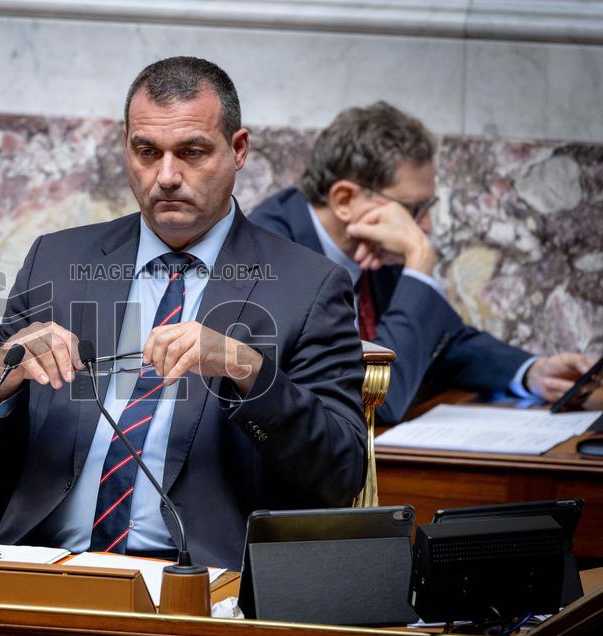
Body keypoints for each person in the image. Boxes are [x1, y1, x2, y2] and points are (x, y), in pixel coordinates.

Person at [0, 57, 367, 570]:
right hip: (45, 565)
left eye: (192, 152)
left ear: (238, 150)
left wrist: (247, 370)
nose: (166, 176)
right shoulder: (55, 262)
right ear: (126, 146)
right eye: (147, 152)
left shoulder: (308, 286)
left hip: (202, 579)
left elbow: (340, 476)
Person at [248, 102, 598, 424]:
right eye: (413, 208)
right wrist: (418, 259)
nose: (425, 227)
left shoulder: (372, 244)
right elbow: (376, 400)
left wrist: (532, 372)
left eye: (427, 207)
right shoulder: (271, 258)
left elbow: (442, 340)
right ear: (344, 199)